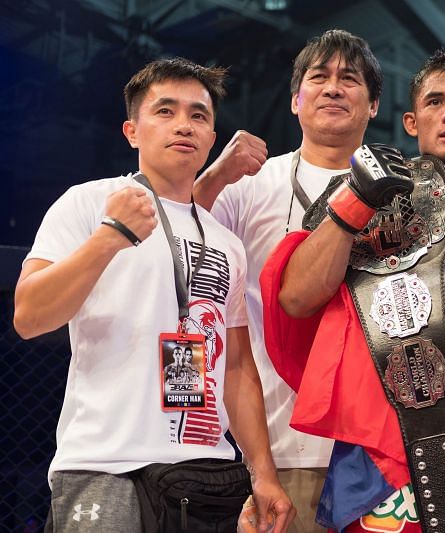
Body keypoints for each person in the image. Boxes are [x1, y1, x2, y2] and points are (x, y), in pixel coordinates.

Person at [261, 49, 445, 532]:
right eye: (435, 101)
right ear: (410, 120)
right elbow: (295, 298)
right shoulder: (372, 196)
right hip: (385, 451)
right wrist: (354, 203)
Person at [13, 57, 293, 532]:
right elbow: (29, 316)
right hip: (104, 462)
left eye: (198, 115)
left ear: (210, 137)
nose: (184, 124)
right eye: (165, 111)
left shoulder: (225, 242)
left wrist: (262, 474)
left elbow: (240, 367)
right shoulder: (88, 202)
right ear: (132, 131)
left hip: (204, 470)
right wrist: (109, 236)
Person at [193, 29, 382, 532]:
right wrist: (215, 175)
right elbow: (174, 239)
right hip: (277, 450)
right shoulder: (252, 184)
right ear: (296, 101)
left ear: (374, 105)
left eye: (350, 79)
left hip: (382, 455)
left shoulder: (404, 192)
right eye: (318, 78)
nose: (333, 88)